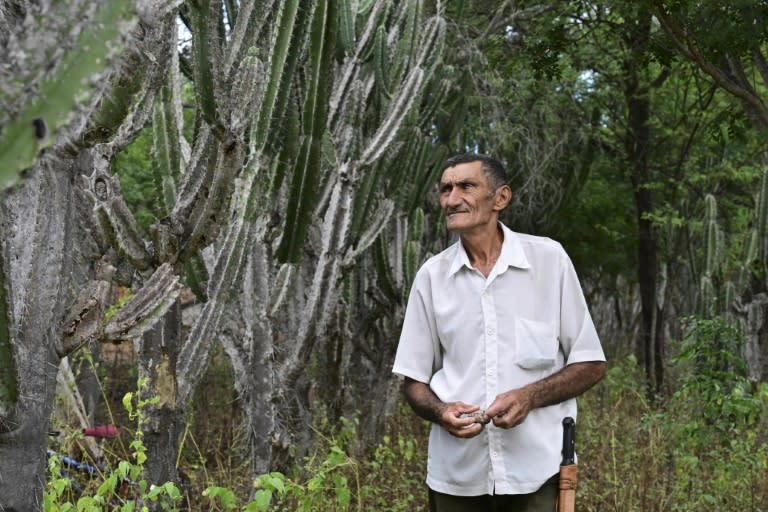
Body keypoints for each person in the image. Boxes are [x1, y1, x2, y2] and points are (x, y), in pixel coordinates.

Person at [392, 152, 607, 512]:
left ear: (500, 198)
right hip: (457, 477)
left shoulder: (548, 261)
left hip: (537, 471)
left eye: (466, 186)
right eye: (446, 189)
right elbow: (413, 381)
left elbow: (591, 364)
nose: (452, 198)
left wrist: (530, 397)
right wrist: (441, 410)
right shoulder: (432, 276)